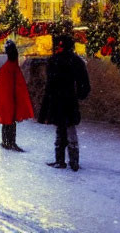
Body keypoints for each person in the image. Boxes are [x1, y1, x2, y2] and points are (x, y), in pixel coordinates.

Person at [38, 34, 91, 172]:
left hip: (57, 100)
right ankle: (73, 160)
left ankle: (60, 159)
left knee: (60, 130)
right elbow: (83, 83)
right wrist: (81, 94)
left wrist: (44, 109)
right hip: (70, 99)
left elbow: (49, 86)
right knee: (70, 128)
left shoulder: (54, 61)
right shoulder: (76, 61)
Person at [0, 39, 34, 151]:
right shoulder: (10, 68)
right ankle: (9, 142)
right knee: (9, 121)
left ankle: (7, 142)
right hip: (9, 100)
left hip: (9, 100)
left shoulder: (9, 67)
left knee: (8, 121)